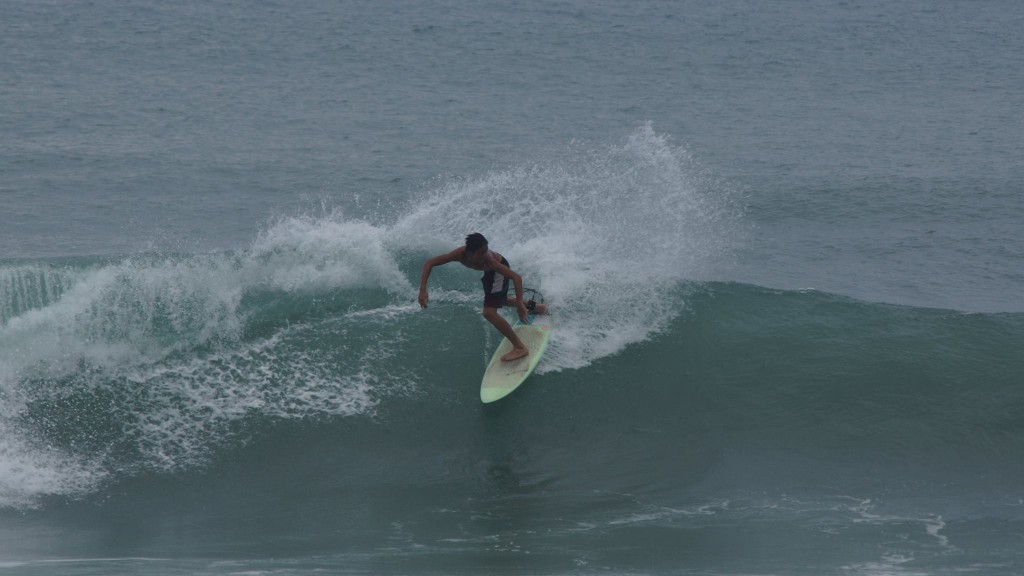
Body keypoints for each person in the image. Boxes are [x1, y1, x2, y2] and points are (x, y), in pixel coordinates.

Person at [418, 233, 547, 362]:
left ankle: (520, 347)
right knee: (501, 300)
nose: (485, 254)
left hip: (498, 271)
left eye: (486, 250)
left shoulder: (489, 261)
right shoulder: (459, 255)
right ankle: (536, 307)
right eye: (481, 252)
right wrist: (423, 289)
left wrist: (519, 304)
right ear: (469, 253)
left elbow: (516, 278)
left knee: (489, 312)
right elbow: (429, 263)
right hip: (489, 274)